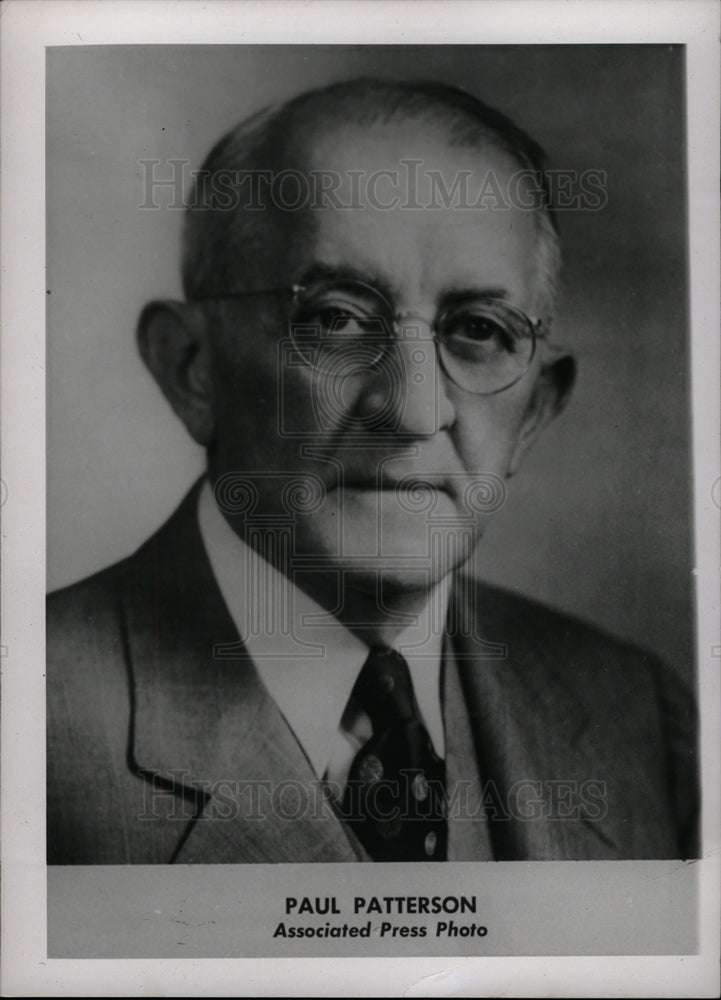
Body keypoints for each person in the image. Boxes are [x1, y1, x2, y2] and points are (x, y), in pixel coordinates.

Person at [46, 77, 698, 864]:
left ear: (532, 415)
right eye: (337, 318)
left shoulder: (638, 713)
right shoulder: (28, 717)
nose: (414, 410)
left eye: (477, 330)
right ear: (194, 369)